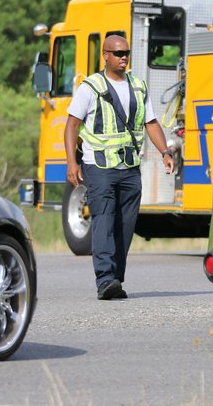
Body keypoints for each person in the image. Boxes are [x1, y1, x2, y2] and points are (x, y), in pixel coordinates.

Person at [64, 35, 175, 300]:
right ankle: (105, 279)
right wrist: (71, 162)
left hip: (129, 167)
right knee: (103, 220)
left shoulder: (138, 86)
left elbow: (150, 122)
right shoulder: (90, 87)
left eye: (126, 52)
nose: (123, 57)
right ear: (105, 55)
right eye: (118, 53)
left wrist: (165, 152)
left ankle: (115, 278)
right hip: (98, 166)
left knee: (125, 224)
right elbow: (71, 125)